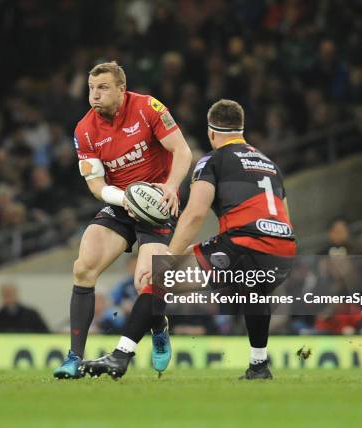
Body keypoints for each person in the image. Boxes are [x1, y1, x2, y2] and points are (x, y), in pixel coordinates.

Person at [82, 99, 296, 380]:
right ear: (241, 129)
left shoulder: (212, 160)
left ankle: (120, 355)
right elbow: (286, 217)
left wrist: (168, 257)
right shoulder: (270, 165)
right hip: (284, 250)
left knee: (156, 281)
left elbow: (195, 214)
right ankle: (259, 366)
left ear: (211, 132)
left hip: (243, 243)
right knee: (254, 292)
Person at [54, 62, 192, 379]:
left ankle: (159, 325)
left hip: (157, 204)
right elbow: (95, 184)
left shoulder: (148, 107)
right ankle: (74, 357)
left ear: (121, 89)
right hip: (120, 204)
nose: (95, 94)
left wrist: (170, 186)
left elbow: (182, 152)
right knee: (83, 266)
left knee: (146, 281)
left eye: (102, 87)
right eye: (91, 88)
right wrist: (123, 199)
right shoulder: (84, 130)